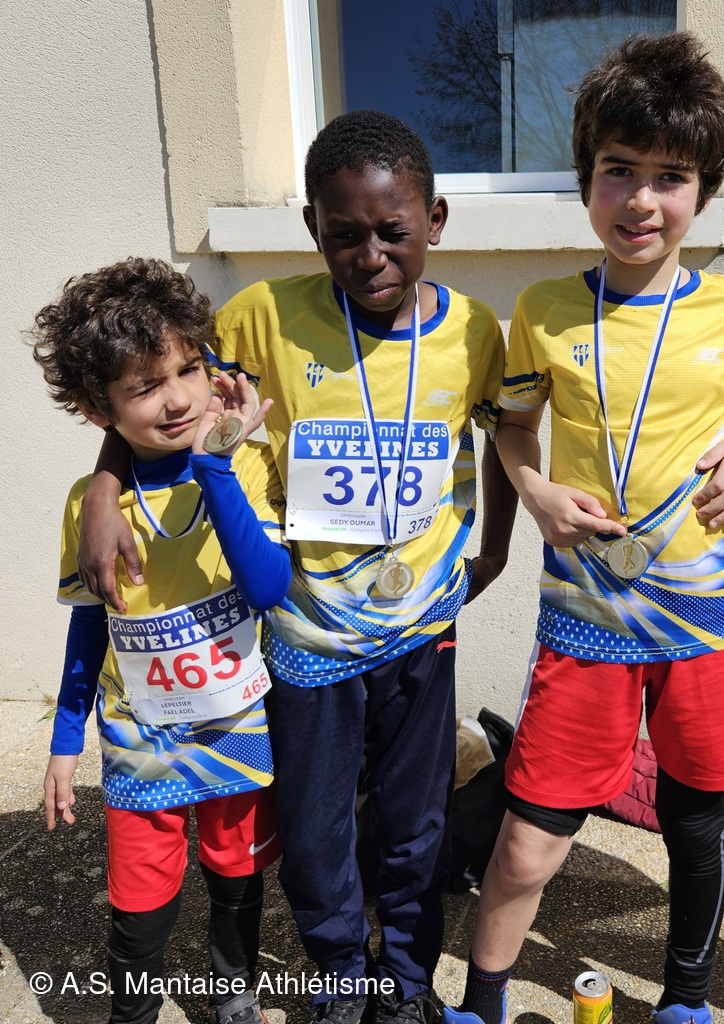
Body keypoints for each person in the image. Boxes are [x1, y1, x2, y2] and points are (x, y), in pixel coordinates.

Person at [77, 111, 517, 1024]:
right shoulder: (262, 316)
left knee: (415, 824)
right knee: (315, 835)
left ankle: (404, 984)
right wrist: (105, 486)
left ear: (435, 222)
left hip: (420, 627)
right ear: (314, 228)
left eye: (392, 231)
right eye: (344, 234)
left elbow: (506, 438)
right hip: (307, 637)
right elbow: (161, 398)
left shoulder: (475, 330)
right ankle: (339, 979)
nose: (370, 255)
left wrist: (498, 549)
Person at [445, 34, 724, 1024]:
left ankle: (686, 998)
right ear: (585, 178)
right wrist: (535, 492)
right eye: (618, 171)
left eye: (669, 177)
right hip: (588, 613)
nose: (641, 200)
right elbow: (512, 429)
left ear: (703, 192)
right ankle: (483, 999)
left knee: (695, 822)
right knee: (529, 835)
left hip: (705, 617)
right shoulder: (544, 310)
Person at [33, 257, 290, 1024]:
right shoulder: (88, 506)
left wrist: (216, 471)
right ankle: (133, 1009)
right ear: (96, 408)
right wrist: (65, 741)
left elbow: (268, 587)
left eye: (188, 369)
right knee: (140, 900)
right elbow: (90, 624)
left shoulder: (247, 464)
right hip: (141, 736)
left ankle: (233, 990)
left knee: (237, 878)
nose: (177, 398)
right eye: (145, 386)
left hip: (236, 727)